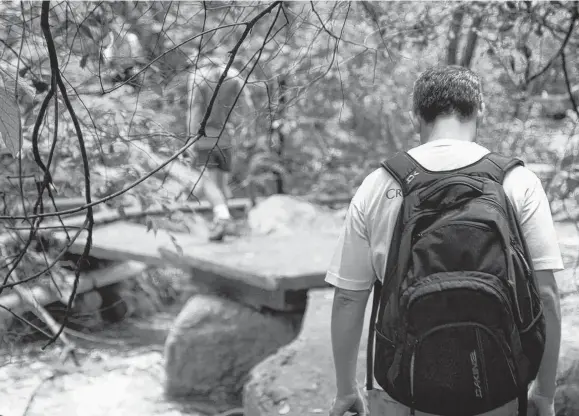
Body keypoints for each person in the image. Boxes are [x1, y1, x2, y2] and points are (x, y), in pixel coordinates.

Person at [326, 66, 563, 416]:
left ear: (414, 116)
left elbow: (348, 297)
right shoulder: (518, 182)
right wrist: (543, 390)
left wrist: (346, 388)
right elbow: (546, 295)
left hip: (402, 389)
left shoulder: (379, 185)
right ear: (479, 108)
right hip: (500, 384)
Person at [186, 57, 251, 241]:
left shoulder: (198, 76)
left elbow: (194, 108)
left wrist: (191, 139)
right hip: (227, 138)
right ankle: (222, 225)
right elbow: (248, 105)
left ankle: (222, 216)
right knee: (221, 185)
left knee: (207, 181)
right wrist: (246, 130)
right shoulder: (233, 74)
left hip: (205, 137)